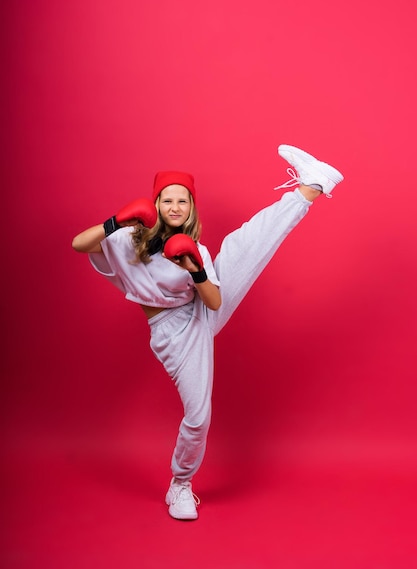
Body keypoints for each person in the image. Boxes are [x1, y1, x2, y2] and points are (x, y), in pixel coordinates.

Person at [72, 144, 344, 521]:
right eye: (167, 200)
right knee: (198, 417)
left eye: (183, 201)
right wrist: (116, 222)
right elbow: (79, 244)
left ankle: (309, 189)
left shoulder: (195, 248)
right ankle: (180, 484)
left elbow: (214, 303)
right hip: (175, 333)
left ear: (190, 208)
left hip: (202, 309)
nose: (175, 207)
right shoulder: (127, 240)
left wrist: (195, 268)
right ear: (156, 204)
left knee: (242, 246)